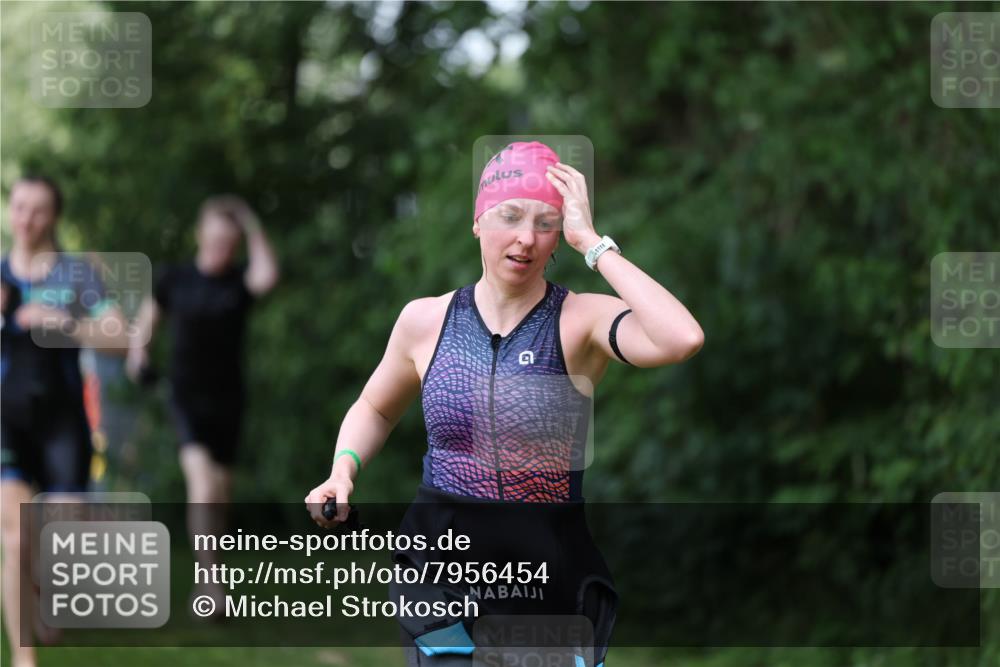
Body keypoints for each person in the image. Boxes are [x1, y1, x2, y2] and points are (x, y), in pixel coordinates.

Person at [305, 141, 704, 666]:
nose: (526, 238)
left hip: (545, 572)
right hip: (437, 566)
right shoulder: (425, 321)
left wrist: (594, 244)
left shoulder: (579, 320)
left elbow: (681, 338)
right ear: (478, 220)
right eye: (510, 216)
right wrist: (343, 470)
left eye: (547, 223)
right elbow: (376, 408)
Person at [127, 194, 278, 612]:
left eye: (228, 243)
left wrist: (248, 219)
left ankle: (211, 572)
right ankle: (210, 586)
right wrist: (138, 355)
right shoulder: (174, 279)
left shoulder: (240, 281)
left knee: (221, 492)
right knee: (203, 483)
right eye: (213, 239)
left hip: (228, 398)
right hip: (184, 394)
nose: (219, 249)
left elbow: (267, 276)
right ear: (199, 236)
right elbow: (146, 324)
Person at [1, 175, 129, 667]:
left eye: (37, 210)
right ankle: (23, 658)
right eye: (19, 207)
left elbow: (120, 337)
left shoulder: (76, 276)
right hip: (6, 420)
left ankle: (37, 584)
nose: (26, 219)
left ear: (53, 216)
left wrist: (66, 323)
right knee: (13, 536)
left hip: (62, 423)